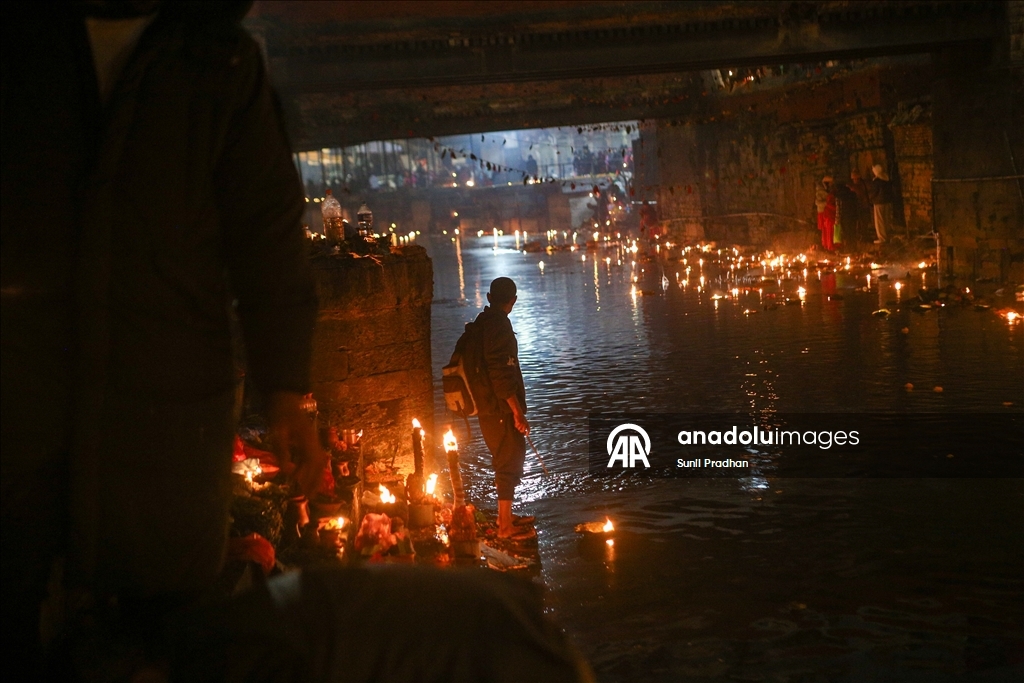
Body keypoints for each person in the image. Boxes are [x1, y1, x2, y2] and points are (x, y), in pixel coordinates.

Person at [1, 1, 324, 675]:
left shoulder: (218, 63)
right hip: (31, 409)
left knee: (165, 634)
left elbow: (266, 239)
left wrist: (287, 390)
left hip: (166, 419)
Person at [471, 277, 532, 540]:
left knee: (506, 459)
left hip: (487, 405)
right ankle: (505, 527)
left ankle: (503, 516)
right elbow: (501, 374)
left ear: (488, 297)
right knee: (509, 461)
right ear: (513, 300)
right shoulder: (499, 326)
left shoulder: (483, 322)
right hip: (499, 408)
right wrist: (517, 412)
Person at [869, 163, 895, 244]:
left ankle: (882, 237)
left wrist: (870, 199)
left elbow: (873, 192)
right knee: (886, 220)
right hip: (887, 202)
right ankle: (887, 235)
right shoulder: (886, 179)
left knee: (879, 221)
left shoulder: (877, 181)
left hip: (878, 202)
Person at [815, 176, 837, 251]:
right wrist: (827, 203)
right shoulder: (820, 192)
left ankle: (827, 245)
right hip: (822, 212)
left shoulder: (829, 191)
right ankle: (824, 245)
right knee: (824, 230)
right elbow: (818, 202)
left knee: (827, 231)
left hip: (827, 212)